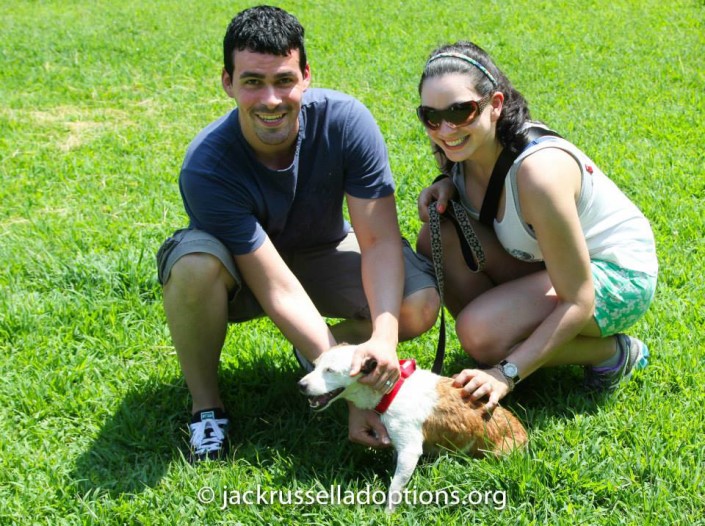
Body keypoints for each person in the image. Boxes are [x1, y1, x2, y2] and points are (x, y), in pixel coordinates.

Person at [156, 6, 439, 461]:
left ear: (306, 76)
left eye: (284, 80)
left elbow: (380, 240)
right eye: (252, 82)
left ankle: (320, 352)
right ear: (227, 82)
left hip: (322, 249)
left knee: (418, 303)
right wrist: (349, 390)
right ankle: (207, 406)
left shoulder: (346, 122)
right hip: (241, 270)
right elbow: (273, 283)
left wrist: (384, 342)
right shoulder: (206, 164)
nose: (271, 99)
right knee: (191, 267)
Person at [415, 41, 658, 413]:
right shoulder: (459, 152)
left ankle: (614, 352)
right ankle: (513, 341)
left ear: (495, 105)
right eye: (431, 116)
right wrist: (446, 185)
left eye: (461, 111)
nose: (445, 128)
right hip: (551, 262)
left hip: (617, 274)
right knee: (437, 238)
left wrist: (505, 373)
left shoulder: (538, 173)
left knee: (480, 333)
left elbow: (579, 298)